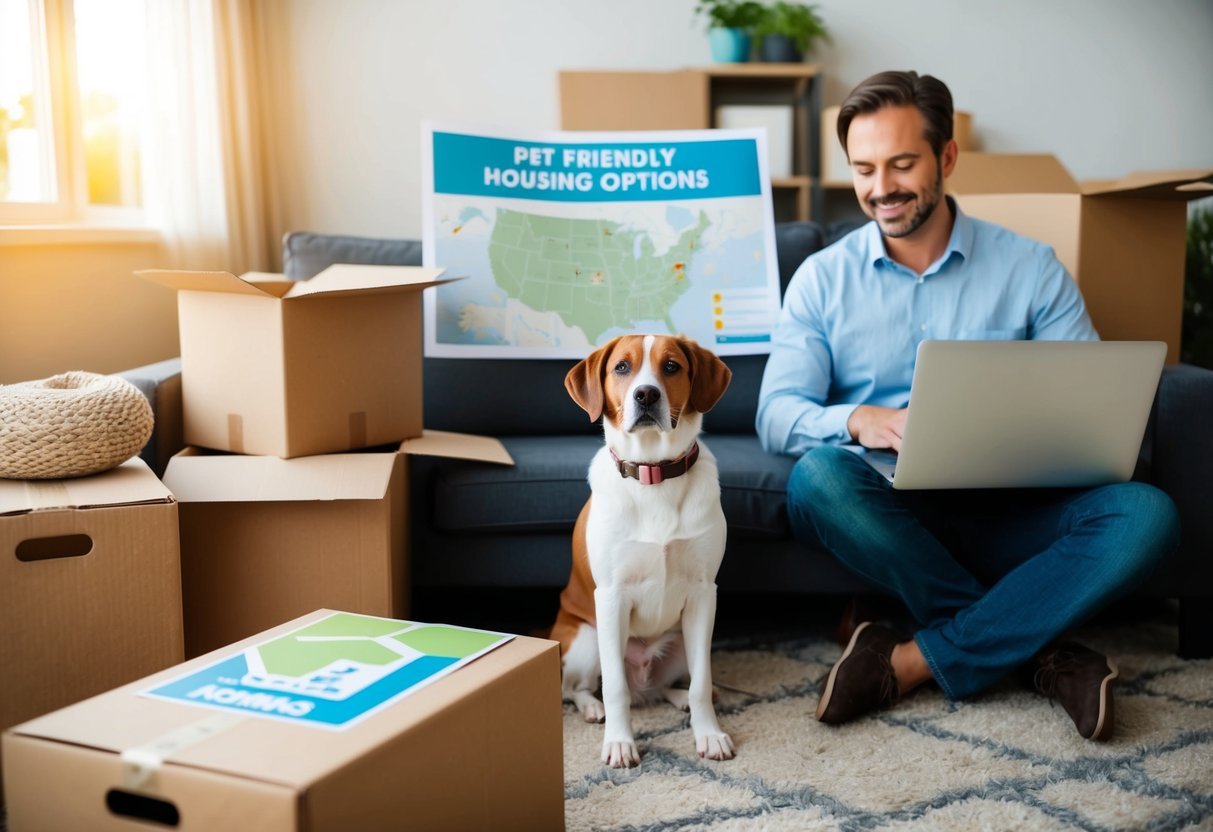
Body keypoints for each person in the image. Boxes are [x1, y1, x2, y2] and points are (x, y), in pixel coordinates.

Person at [756, 70, 1179, 741]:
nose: (879, 188)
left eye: (901, 163)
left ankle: (911, 657)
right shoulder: (821, 278)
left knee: (1144, 514)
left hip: (1013, 509)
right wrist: (860, 419)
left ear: (945, 158)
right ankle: (1045, 655)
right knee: (818, 478)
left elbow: (1088, 400)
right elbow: (776, 412)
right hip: (890, 513)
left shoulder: (1030, 268)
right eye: (863, 168)